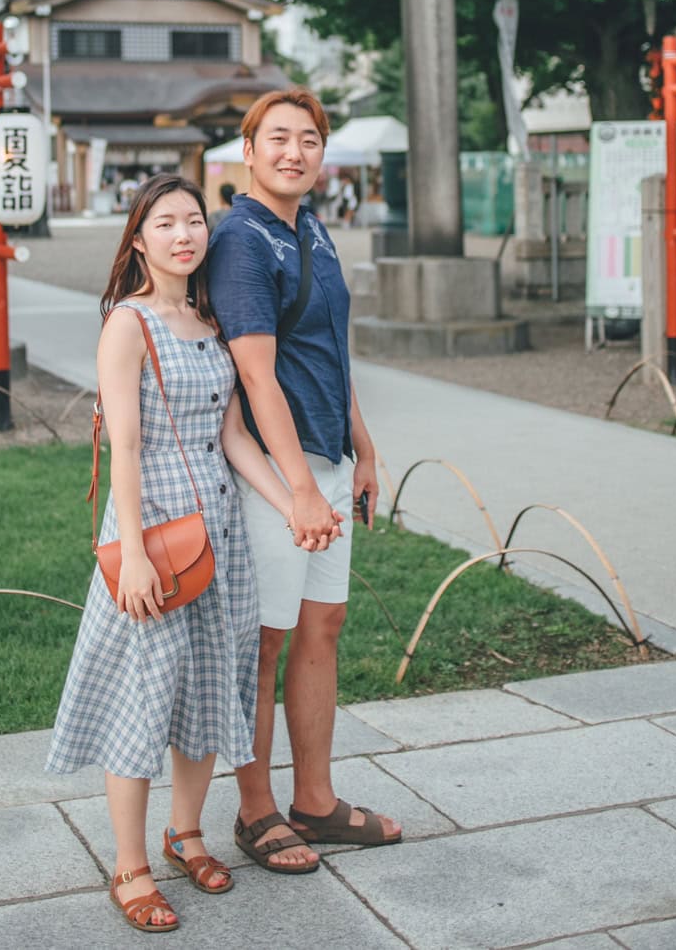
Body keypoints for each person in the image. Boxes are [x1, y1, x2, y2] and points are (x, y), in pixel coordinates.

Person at [47, 173, 312, 933]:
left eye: (193, 220)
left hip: (218, 529)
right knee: (144, 694)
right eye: (164, 223)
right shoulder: (127, 324)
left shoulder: (207, 320)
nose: (183, 235)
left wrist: (291, 502)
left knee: (208, 688)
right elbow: (125, 446)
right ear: (139, 240)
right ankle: (130, 866)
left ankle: (186, 833)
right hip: (157, 530)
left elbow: (233, 436)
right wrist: (130, 552)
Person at [206, 88, 402, 873]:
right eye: (278, 138)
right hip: (275, 474)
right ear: (248, 149)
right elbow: (256, 375)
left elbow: (330, 348)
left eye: (309, 139)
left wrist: (363, 448)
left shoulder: (311, 227)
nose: (295, 152)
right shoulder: (240, 240)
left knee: (324, 627)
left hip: (327, 460)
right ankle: (255, 810)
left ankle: (315, 801)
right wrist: (299, 489)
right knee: (265, 640)